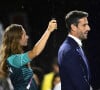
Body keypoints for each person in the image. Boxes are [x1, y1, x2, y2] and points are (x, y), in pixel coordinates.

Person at [0, 19, 57, 90]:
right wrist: (48, 30)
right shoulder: (13, 59)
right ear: (18, 39)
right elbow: (35, 52)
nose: (27, 37)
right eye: (24, 35)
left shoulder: (17, 57)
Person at [58, 10, 92, 90]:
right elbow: (80, 85)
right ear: (73, 27)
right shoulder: (69, 50)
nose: (88, 28)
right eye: (84, 25)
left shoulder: (73, 46)